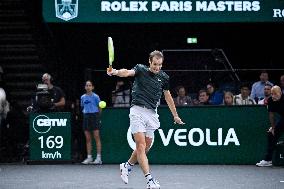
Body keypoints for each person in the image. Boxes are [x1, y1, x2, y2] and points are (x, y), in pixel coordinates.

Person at [107, 50, 185, 189]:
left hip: (152, 114)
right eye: (155, 64)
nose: (157, 67)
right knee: (141, 145)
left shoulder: (164, 77)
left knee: (146, 146)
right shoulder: (140, 69)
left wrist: (175, 115)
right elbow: (127, 72)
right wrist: (115, 72)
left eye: (160, 65)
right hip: (137, 110)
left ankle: (127, 166)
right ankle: (150, 180)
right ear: (150, 62)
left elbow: (168, 97)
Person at [256, 86, 284, 167]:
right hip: (283, 119)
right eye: (272, 94)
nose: (273, 96)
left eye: (275, 94)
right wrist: (273, 127)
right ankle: (268, 160)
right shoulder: (270, 100)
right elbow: (271, 114)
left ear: (281, 93)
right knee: (271, 134)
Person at [81, 80, 102, 165]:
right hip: (86, 117)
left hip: (94, 116)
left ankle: (98, 158)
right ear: (85, 87)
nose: (88, 87)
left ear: (92, 87)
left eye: (90, 85)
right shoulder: (82, 97)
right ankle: (89, 157)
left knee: (96, 137)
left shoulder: (96, 97)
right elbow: (83, 107)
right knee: (88, 139)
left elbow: (99, 108)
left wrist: (97, 117)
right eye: (87, 85)